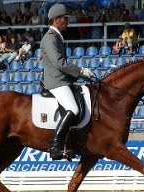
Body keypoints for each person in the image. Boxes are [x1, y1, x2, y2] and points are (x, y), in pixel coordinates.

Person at [40, 4, 94, 160]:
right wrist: (80, 72)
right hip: (56, 81)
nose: (67, 21)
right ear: (56, 20)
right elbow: (59, 63)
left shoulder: (57, 36)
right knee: (73, 108)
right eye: (65, 18)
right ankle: (55, 146)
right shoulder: (50, 38)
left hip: (63, 80)